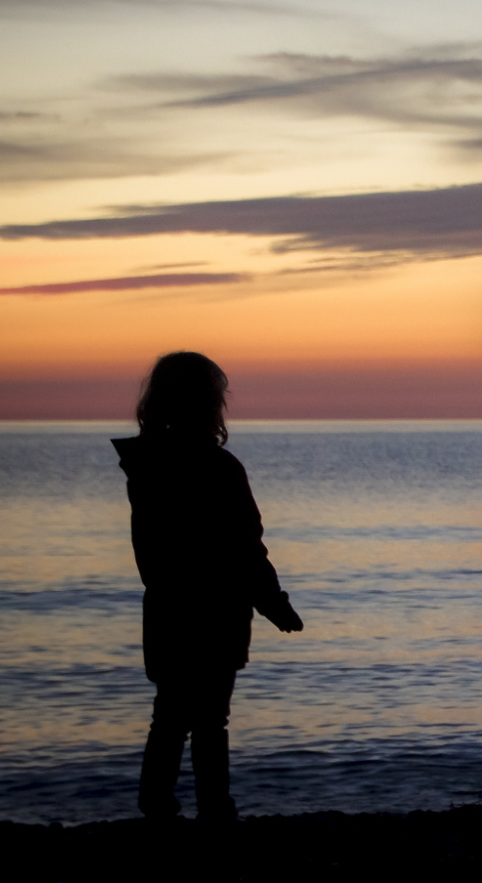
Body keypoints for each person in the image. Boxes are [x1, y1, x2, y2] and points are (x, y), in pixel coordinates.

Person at [113, 351, 303, 823]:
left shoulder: (147, 467)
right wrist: (274, 604)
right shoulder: (218, 469)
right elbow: (245, 547)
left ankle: (157, 805)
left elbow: (150, 551)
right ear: (209, 403)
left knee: (170, 718)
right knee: (210, 720)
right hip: (215, 612)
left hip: (167, 608)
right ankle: (214, 808)